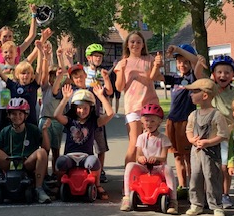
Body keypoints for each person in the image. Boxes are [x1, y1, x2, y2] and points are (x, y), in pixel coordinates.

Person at [0, 98, 52, 205]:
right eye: (14, 114)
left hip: (26, 163)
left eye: (20, 114)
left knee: (42, 152)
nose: (17, 117)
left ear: (26, 115)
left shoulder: (32, 129)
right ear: (9, 115)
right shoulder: (5, 131)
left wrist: (44, 131)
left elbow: (46, 148)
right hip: (9, 162)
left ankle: (38, 188)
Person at [53, 85, 115, 198]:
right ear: (74, 108)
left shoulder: (93, 122)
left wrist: (101, 97)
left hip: (86, 157)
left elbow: (110, 114)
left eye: (85, 108)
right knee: (60, 162)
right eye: (79, 108)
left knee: (94, 162)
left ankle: (97, 184)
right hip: (70, 156)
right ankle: (58, 184)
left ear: (91, 108)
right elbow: (56, 115)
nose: (82, 111)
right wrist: (65, 99)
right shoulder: (70, 120)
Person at [113, 31, 163, 164]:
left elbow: (155, 76)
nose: (135, 44)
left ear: (143, 45)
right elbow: (119, 87)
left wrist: (157, 65)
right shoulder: (123, 63)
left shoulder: (149, 59)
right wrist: (123, 70)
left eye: (138, 42)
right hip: (133, 106)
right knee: (135, 143)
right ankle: (128, 178)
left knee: (150, 143)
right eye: (132, 42)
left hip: (150, 105)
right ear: (127, 45)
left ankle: (147, 175)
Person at [162, 44, 206, 194]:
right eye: (179, 62)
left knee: (188, 157)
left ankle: (193, 186)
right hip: (172, 121)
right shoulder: (174, 78)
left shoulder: (193, 77)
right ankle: (182, 186)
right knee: (177, 155)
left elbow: (196, 61)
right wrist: (157, 63)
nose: (182, 65)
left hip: (186, 122)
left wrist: (179, 50)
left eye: (185, 62)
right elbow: (155, 76)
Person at [184, 78, 229, 216]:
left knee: (212, 176)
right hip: (196, 152)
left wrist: (209, 142)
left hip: (211, 152)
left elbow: (223, 134)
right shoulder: (193, 115)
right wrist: (192, 140)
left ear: (204, 95)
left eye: (194, 92)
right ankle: (196, 203)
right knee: (195, 176)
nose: (191, 95)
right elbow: (189, 130)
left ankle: (216, 205)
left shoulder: (217, 115)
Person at [120, 103, 177, 214]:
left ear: (159, 122)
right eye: (146, 121)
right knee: (130, 166)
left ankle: (173, 201)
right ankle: (127, 197)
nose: (149, 124)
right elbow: (138, 155)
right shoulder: (141, 137)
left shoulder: (163, 138)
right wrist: (141, 158)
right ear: (142, 121)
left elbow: (163, 157)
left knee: (169, 169)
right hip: (144, 167)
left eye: (152, 121)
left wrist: (155, 158)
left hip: (158, 168)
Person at [210, 55, 234, 209]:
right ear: (213, 74)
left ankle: (225, 194)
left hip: (226, 136)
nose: (223, 75)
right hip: (210, 135)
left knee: (224, 167)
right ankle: (209, 194)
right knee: (209, 167)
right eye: (219, 72)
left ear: (233, 74)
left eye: (227, 72)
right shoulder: (211, 90)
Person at [84, 43, 114, 183]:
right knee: (84, 143)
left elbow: (109, 91)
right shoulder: (84, 71)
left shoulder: (103, 72)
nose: (98, 58)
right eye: (96, 56)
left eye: (100, 56)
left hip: (98, 114)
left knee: (100, 146)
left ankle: (100, 169)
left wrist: (106, 78)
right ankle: (86, 168)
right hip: (84, 114)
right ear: (89, 58)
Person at [38, 43, 64, 179]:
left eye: (56, 75)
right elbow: (43, 73)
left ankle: (55, 172)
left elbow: (63, 73)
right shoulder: (45, 86)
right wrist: (45, 56)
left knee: (55, 150)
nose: (53, 77)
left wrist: (60, 57)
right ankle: (44, 173)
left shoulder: (59, 90)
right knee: (44, 149)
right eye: (51, 75)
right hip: (45, 119)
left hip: (57, 121)